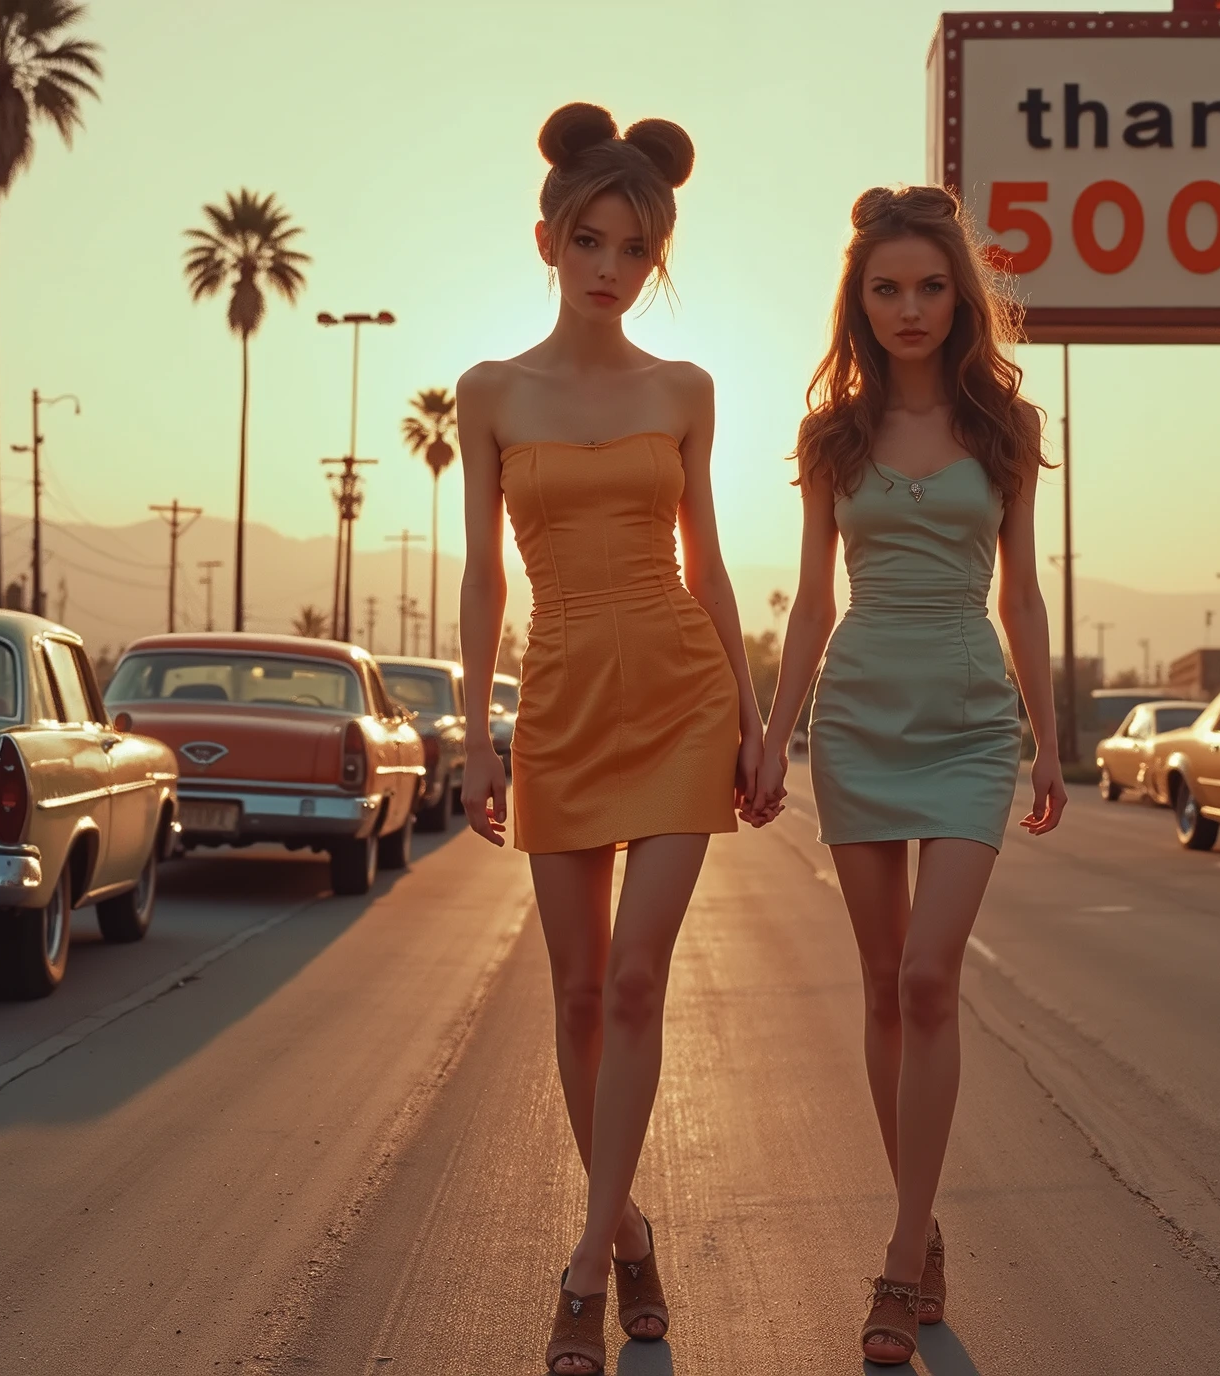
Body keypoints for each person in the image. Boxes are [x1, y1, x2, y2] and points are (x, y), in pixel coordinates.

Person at [456, 102, 767, 1376]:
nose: (607, 266)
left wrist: (754, 719)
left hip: (682, 691)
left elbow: (708, 560)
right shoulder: (487, 392)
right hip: (563, 692)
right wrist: (477, 727)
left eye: (632, 248)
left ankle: (585, 1260)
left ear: (657, 259)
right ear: (547, 237)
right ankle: (630, 1225)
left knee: (635, 980)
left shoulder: (683, 389)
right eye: (588, 239)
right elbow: (482, 573)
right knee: (575, 990)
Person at [748, 184, 1068, 1365]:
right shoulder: (832, 437)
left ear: (961, 294)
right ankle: (918, 1225)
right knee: (882, 986)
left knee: (929, 976)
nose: (908, 307)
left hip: (972, 725)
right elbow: (811, 603)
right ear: (858, 299)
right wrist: (771, 738)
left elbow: (1023, 594)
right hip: (858, 721)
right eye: (885, 288)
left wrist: (1045, 735)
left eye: (930, 285)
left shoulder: (1007, 430)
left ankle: (896, 1251)